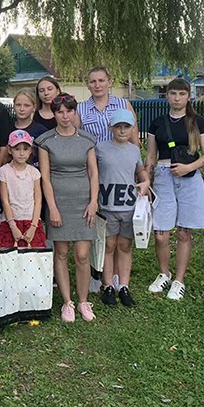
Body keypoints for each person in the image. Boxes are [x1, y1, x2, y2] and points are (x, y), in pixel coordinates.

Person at [144, 78, 204, 300]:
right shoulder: (157, 123)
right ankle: (164, 273)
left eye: (182, 94)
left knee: (184, 232)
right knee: (161, 234)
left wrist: (188, 168)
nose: (177, 98)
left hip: (189, 177)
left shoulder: (198, 122)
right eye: (173, 93)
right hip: (163, 177)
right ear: (167, 96)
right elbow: (151, 156)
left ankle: (179, 280)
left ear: (188, 97)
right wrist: (147, 180)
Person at [36, 93, 98, 323]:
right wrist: (52, 207)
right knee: (61, 253)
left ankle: (83, 301)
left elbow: (93, 172)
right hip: (59, 202)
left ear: (74, 112)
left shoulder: (87, 139)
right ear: (54, 114)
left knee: (82, 254)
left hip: (83, 202)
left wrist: (93, 202)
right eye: (60, 112)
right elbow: (45, 177)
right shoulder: (46, 141)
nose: (65, 116)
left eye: (69, 111)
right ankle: (67, 302)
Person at [77, 66, 138, 293]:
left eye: (101, 80)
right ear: (88, 84)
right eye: (93, 81)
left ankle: (116, 277)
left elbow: (134, 139)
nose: (97, 85)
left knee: (118, 234)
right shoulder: (82, 109)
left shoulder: (123, 105)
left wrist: (136, 171)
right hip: (95, 171)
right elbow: (78, 140)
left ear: (109, 81)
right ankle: (98, 272)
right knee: (99, 225)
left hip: (120, 171)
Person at [96, 109, 150, 308]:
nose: (122, 130)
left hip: (128, 206)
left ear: (132, 128)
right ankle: (108, 285)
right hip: (107, 205)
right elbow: (92, 172)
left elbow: (140, 169)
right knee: (109, 246)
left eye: (126, 126)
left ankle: (124, 286)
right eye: (118, 126)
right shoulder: (100, 148)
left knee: (124, 246)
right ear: (110, 127)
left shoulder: (134, 150)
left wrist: (146, 181)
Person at [0, 130, 46, 248]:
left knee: (35, 256)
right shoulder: (4, 171)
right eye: (17, 149)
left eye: (25, 149)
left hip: (32, 221)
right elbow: (5, 200)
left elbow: (38, 201)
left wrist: (33, 226)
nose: (22, 153)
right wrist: (13, 226)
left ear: (30, 150)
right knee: (10, 256)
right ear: (9, 150)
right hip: (11, 220)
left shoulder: (34, 172)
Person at [12, 89, 48, 165]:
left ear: (34, 107)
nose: (22, 109)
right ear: (13, 106)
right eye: (18, 105)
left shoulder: (41, 131)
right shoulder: (7, 128)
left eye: (26, 105)